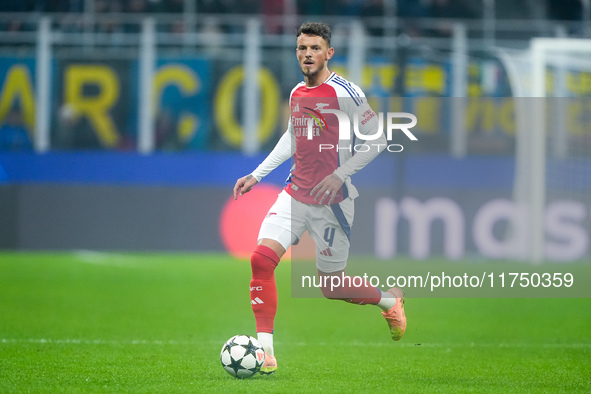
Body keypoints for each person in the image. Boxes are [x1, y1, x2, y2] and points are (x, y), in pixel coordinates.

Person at [233, 21, 406, 375]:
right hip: (295, 194)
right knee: (261, 260)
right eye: (301, 48)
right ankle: (266, 353)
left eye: (314, 48)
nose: (307, 54)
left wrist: (340, 174)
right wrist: (257, 175)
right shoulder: (297, 93)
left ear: (329, 53)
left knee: (331, 287)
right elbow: (292, 139)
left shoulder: (345, 91)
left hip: (334, 203)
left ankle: (390, 301)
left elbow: (378, 139)